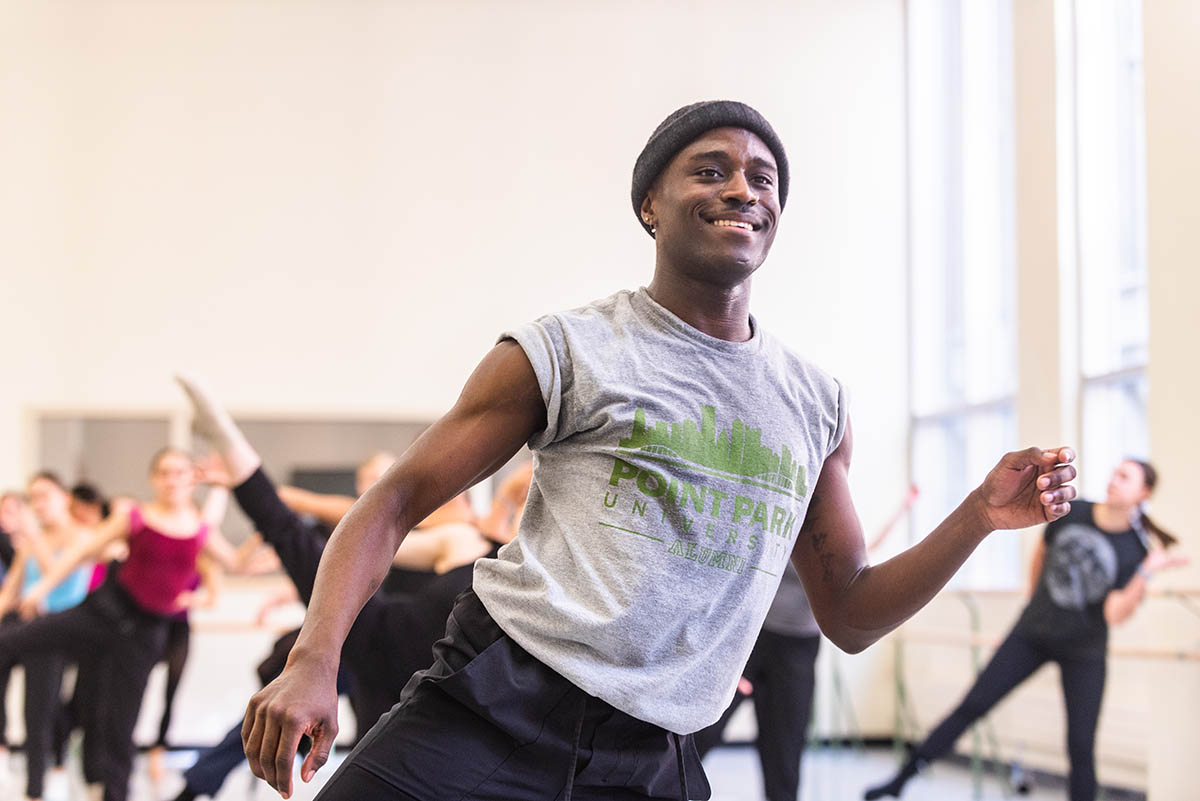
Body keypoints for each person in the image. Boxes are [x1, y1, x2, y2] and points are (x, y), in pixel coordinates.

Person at [240, 100, 1077, 801]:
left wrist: (975, 517)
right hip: (491, 706)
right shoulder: (566, 350)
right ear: (650, 203)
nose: (741, 188)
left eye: (763, 177)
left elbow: (851, 611)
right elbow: (389, 504)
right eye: (710, 170)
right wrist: (316, 659)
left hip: (656, 756)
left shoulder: (815, 404)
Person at [168, 375, 516, 801]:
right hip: (380, 638)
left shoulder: (493, 539)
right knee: (297, 543)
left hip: (433, 682)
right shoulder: (457, 538)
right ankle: (237, 457)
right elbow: (361, 536)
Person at [863, 459, 1187, 801]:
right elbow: (1040, 557)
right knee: (972, 706)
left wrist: (1148, 571)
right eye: (1115, 472)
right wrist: (1035, 604)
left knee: (1080, 744)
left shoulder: (1133, 549)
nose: (1114, 479)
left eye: (1125, 477)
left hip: (1084, 650)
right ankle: (899, 780)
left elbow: (1115, 613)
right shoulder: (1074, 512)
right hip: (1032, 634)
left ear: (1144, 492)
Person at [0, 449, 238, 801]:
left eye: (179, 473)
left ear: (191, 479)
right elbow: (81, 557)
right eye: (164, 473)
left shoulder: (198, 529)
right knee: (18, 650)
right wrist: (40, 589)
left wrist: (268, 531)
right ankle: (46, 777)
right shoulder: (136, 517)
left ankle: (107, 790)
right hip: (100, 615)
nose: (171, 480)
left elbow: (230, 561)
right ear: (153, 479)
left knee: (115, 723)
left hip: (144, 632)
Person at [0, 473, 94, 801]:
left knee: (38, 712)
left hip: (60, 631)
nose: (38, 505)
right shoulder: (31, 540)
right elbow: (11, 591)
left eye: (44, 496)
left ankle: (36, 792)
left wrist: (34, 540)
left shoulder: (82, 536)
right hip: (27, 627)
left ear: (64, 497)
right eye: (33, 498)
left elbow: (57, 579)